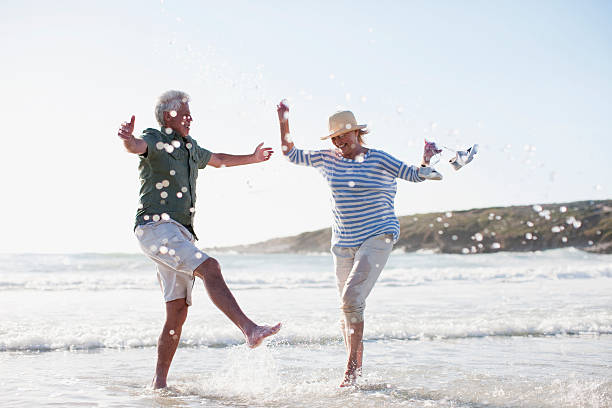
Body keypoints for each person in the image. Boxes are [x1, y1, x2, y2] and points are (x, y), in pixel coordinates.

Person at [117, 90, 281, 389]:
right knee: (211, 267)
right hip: (155, 227)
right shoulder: (154, 138)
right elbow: (136, 146)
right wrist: (127, 139)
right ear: (168, 116)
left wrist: (253, 158)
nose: (190, 117)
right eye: (184, 113)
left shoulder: (190, 147)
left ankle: (159, 383)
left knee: (177, 311)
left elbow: (217, 159)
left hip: (179, 232)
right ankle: (249, 329)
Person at [276, 101, 441, 386]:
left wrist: (425, 160)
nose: (340, 141)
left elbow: (414, 175)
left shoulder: (379, 159)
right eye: (335, 137)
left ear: (357, 133)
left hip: (378, 234)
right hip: (343, 243)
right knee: (347, 307)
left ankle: (350, 372)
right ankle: (357, 372)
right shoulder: (327, 159)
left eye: (345, 134)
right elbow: (290, 154)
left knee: (351, 299)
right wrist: (284, 121)